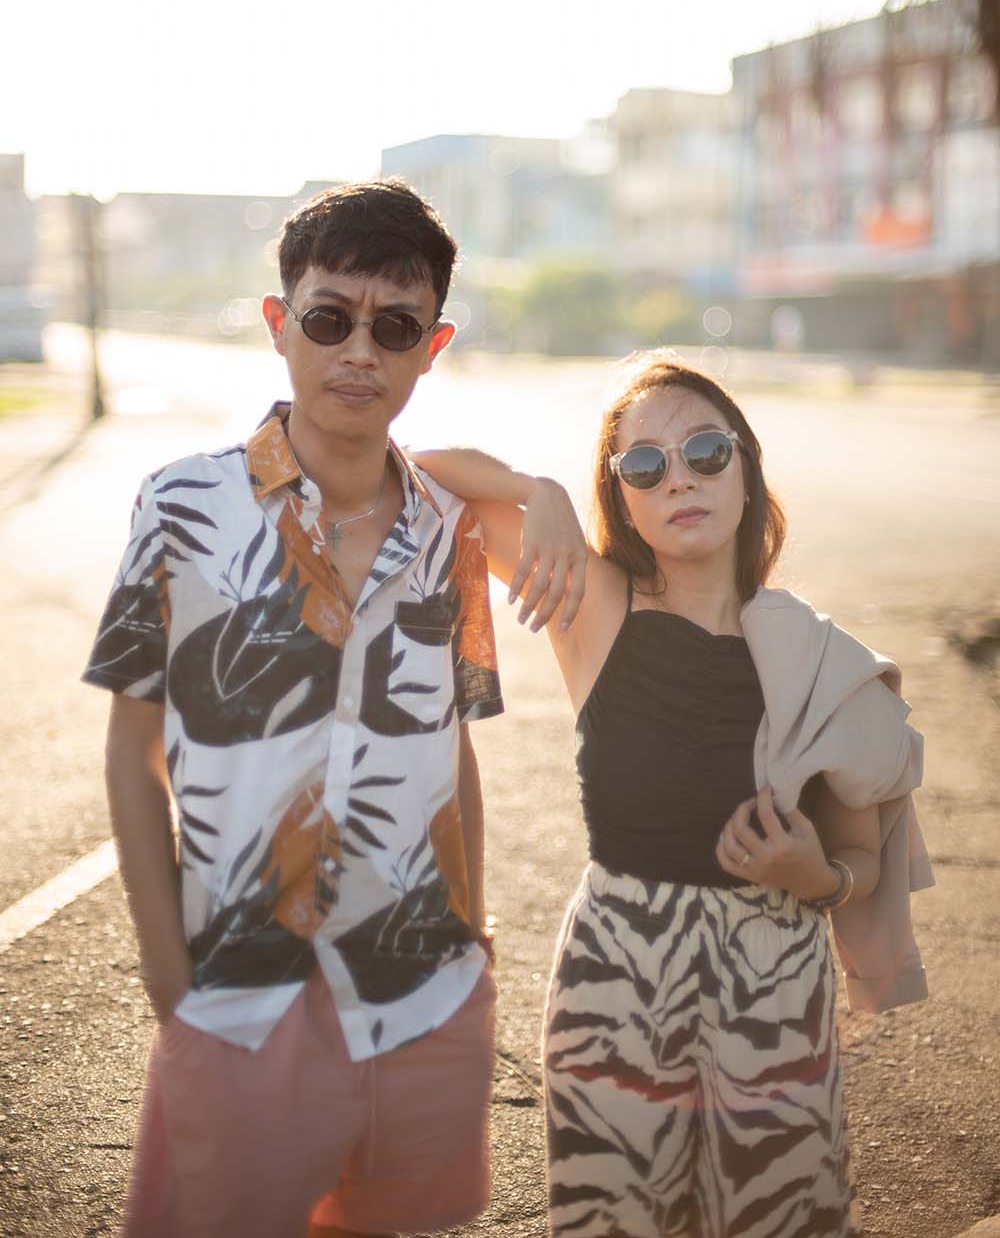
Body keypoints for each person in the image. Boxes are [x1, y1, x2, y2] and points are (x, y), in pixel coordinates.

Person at [83, 180, 582, 1238]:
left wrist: (473, 938)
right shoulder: (182, 505)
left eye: (394, 327)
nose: (360, 351)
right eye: (328, 318)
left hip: (422, 986)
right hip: (238, 990)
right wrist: (168, 976)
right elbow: (132, 752)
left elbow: (450, 742)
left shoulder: (449, 528)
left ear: (431, 347)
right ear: (279, 323)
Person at [412, 351, 933, 1238]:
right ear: (621, 497)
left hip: (775, 984)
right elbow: (411, 468)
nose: (679, 478)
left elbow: (856, 859)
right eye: (645, 464)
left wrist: (815, 876)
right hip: (616, 975)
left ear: (746, 468)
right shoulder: (593, 605)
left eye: (705, 451)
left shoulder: (822, 660)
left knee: (782, 1222)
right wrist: (539, 491)